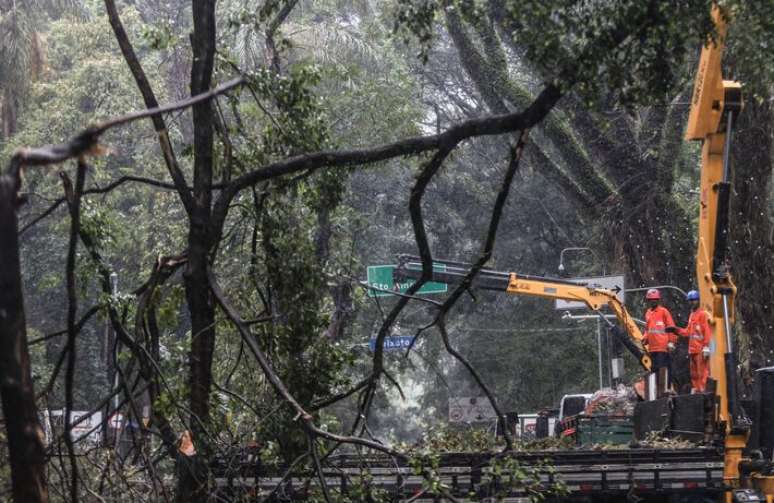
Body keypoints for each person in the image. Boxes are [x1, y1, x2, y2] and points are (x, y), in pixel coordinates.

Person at [668, 290, 711, 392]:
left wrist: (706, 347)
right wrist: (676, 330)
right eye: (690, 301)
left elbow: (707, 331)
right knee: (694, 374)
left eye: (693, 300)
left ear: (698, 300)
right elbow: (687, 332)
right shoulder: (692, 315)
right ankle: (697, 391)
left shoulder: (703, 314)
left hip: (700, 350)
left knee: (702, 373)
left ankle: (703, 392)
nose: (692, 302)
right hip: (692, 350)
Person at [642, 289, 678, 386]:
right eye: (651, 299)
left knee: (663, 370)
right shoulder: (648, 313)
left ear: (658, 300)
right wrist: (645, 338)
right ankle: (658, 390)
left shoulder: (664, 312)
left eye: (655, 299)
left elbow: (671, 327)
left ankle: (665, 388)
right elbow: (647, 329)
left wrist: (671, 342)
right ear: (648, 300)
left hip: (662, 348)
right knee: (654, 371)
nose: (653, 301)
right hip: (652, 349)